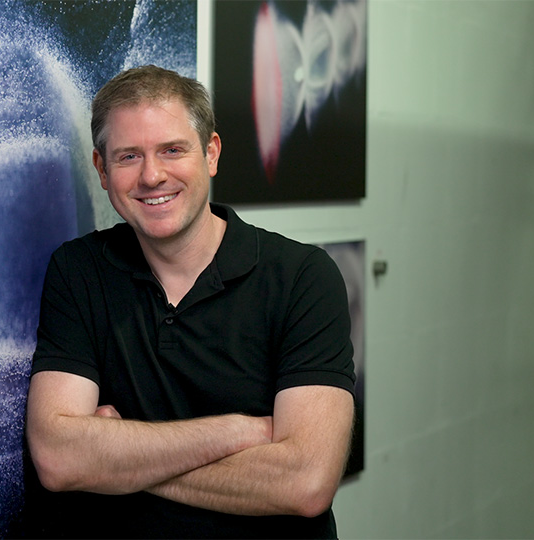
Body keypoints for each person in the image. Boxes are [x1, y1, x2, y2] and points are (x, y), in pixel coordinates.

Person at [24, 65, 355, 539]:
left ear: (211, 152)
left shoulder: (303, 277)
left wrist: (117, 461)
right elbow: (59, 458)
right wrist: (237, 433)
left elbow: (305, 483)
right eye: (128, 156)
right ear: (101, 170)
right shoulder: (78, 272)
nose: (151, 175)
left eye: (172, 150)